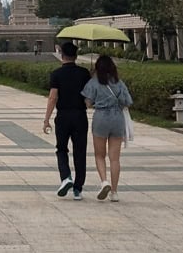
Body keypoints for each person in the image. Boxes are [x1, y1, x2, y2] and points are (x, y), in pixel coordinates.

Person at [42, 42, 92, 200]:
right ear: (76, 56)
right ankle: (78, 189)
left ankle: (66, 177)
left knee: (61, 149)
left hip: (63, 116)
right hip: (79, 116)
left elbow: (52, 97)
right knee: (80, 152)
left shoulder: (56, 74)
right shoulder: (84, 73)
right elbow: (88, 98)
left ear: (61, 54)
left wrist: (46, 119)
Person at [81, 54, 134, 202]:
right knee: (115, 158)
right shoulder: (119, 83)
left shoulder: (94, 82)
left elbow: (88, 103)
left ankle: (104, 181)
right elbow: (127, 102)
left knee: (99, 155)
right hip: (117, 119)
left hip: (101, 118)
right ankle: (115, 192)